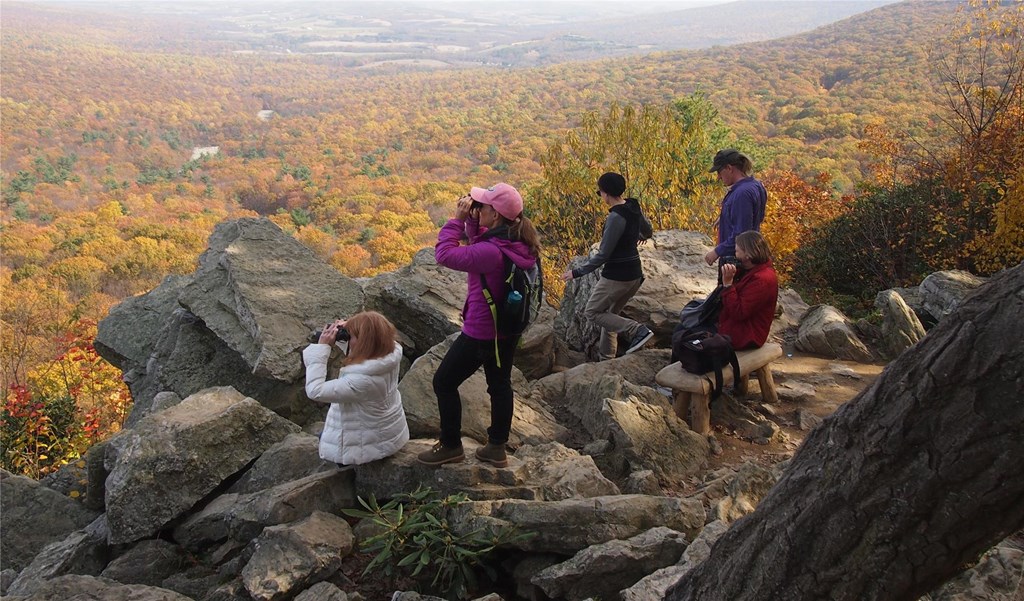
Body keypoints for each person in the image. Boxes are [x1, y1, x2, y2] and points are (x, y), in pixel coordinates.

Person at [417, 183, 541, 468]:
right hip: (508, 329)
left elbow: (444, 255)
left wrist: (458, 220)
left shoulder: (491, 252)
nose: (477, 208)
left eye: (482, 206)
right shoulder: (517, 241)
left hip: (482, 332)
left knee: (444, 382)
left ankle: (450, 446)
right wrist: (474, 223)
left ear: (495, 215)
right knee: (499, 384)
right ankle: (497, 448)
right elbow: (483, 244)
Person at [561, 172, 654, 360]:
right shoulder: (632, 205)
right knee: (611, 315)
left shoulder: (615, 217)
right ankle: (606, 358)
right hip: (635, 274)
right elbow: (648, 230)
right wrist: (639, 236)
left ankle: (637, 330)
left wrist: (577, 272)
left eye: (600, 192)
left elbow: (603, 254)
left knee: (593, 311)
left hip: (617, 277)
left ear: (606, 194)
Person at [303, 311, 410, 466]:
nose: (349, 340)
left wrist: (322, 348)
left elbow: (315, 390)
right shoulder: (392, 351)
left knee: (325, 440)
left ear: (363, 342)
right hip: (387, 432)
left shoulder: (361, 381)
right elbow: (368, 342)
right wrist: (353, 326)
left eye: (351, 336)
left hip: (364, 445)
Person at [704, 149, 767, 270]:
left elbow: (741, 235)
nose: (718, 177)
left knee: (728, 289)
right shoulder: (756, 185)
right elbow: (757, 216)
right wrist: (724, 216)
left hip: (737, 261)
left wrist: (717, 251)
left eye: (719, 172)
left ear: (729, 168)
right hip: (751, 255)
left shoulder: (741, 194)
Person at [716, 230, 778, 350]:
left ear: (748, 255)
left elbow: (739, 313)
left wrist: (728, 284)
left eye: (737, 251)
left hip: (748, 335)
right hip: (739, 327)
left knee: (687, 336)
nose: (734, 255)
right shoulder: (752, 269)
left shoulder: (762, 280)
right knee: (687, 328)